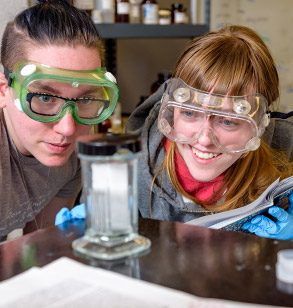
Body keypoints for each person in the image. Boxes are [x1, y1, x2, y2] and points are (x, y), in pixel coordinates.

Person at [125, 25, 293, 240]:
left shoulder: (286, 147)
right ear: (171, 110)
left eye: (228, 121)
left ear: (260, 125)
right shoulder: (133, 160)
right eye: (189, 113)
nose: (204, 140)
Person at [0, 0, 119, 241]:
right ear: (4, 91)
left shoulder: (70, 152)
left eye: (85, 99)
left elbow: (39, 245)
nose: (67, 129)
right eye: (44, 97)